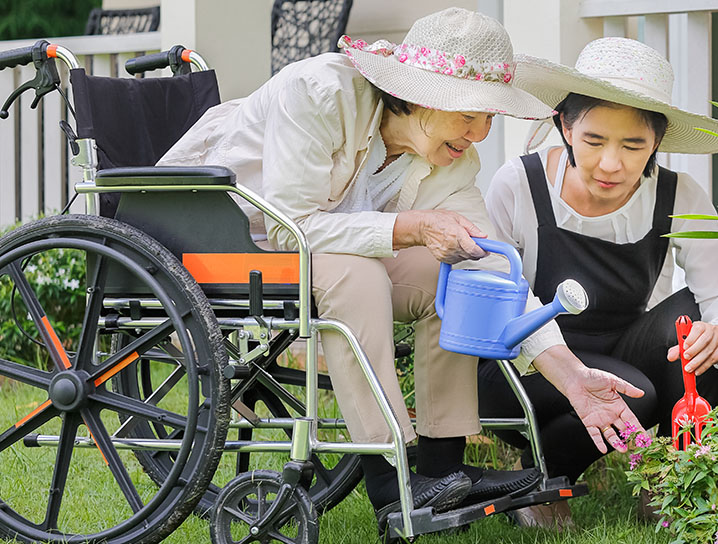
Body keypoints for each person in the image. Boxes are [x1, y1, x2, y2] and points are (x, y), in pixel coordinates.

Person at [157, 8, 645, 523]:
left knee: (456, 275)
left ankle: (443, 467)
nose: (479, 134)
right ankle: (391, 475)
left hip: (315, 255)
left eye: (489, 119)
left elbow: (493, 268)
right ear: (419, 95)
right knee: (358, 270)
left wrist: (571, 377)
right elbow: (289, 227)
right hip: (221, 241)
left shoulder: (452, 158)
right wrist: (408, 228)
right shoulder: (319, 92)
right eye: (469, 115)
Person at [477, 37, 718, 527]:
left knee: (698, 322)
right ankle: (543, 479)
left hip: (623, 347)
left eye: (633, 145)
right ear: (565, 125)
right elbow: (497, 299)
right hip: (524, 364)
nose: (611, 164)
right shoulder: (518, 184)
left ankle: (680, 481)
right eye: (593, 141)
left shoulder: (678, 193)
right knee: (637, 392)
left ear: (658, 141)